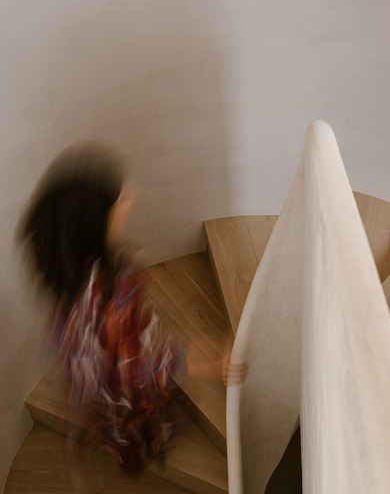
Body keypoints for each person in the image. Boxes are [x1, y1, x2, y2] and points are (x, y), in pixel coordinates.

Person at [19, 144, 238, 476]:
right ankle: (141, 448)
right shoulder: (104, 310)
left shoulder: (83, 273)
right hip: (120, 390)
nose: (130, 199)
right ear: (95, 226)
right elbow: (140, 370)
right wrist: (209, 363)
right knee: (134, 421)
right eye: (119, 203)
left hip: (107, 374)